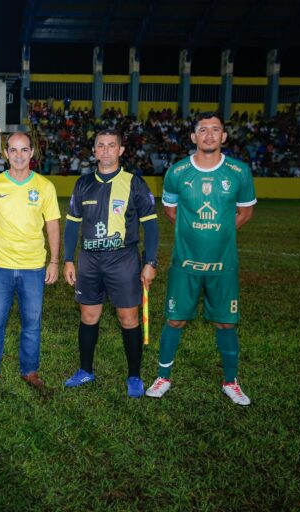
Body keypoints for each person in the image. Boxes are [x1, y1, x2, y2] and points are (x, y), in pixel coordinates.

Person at [145, 112, 256, 406]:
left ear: (224, 137)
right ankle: (163, 377)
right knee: (175, 319)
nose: (209, 135)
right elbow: (170, 210)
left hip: (224, 264)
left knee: (226, 324)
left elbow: (244, 213)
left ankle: (231, 382)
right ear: (194, 137)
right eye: (203, 130)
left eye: (215, 129)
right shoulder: (177, 172)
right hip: (185, 263)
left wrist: (220, 231)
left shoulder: (239, 171)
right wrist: (194, 230)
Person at [62, 129, 158, 398]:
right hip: (90, 260)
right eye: (100, 146)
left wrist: (150, 261)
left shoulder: (135, 183)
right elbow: (72, 225)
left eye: (111, 146)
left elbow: (150, 226)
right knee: (88, 316)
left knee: (128, 318)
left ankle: (134, 376)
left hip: (123, 259)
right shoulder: (82, 184)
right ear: (94, 151)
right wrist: (68, 260)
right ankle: (85, 370)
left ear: (121, 151)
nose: (105, 151)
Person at [0, 131, 61, 389]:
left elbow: (53, 226)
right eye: (13, 150)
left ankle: (30, 371)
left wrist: (54, 262)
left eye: (24, 150)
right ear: (6, 153)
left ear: (32, 152)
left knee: (32, 323)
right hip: (0, 266)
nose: (19, 155)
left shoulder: (44, 186)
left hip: (33, 267)